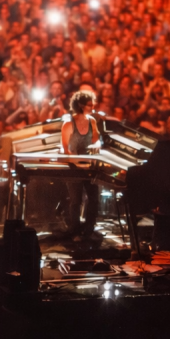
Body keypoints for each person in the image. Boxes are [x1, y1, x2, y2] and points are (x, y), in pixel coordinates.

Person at [60, 90, 100, 236]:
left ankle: (89, 227)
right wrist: (78, 162)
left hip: (89, 166)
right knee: (76, 201)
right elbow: (65, 149)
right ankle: (75, 230)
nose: (92, 107)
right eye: (89, 105)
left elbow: (96, 141)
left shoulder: (92, 122)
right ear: (81, 105)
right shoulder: (68, 124)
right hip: (74, 168)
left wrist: (97, 147)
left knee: (94, 199)